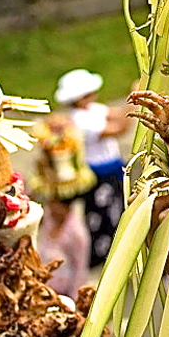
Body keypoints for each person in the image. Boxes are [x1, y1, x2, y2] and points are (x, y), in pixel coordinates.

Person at [54, 69, 131, 268]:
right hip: (99, 173)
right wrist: (132, 105)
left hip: (112, 168)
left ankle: (113, 249)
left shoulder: (93, 110)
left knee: (117, 209)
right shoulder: (81, 121)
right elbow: (119, 128)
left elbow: (115, 115)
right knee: (103, 215)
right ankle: (99, 255)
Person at [38, 198, 91, 300]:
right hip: (43, 287)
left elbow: (80, 269)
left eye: (56, 206)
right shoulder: (48, 219)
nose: (52, 209)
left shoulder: (77, 232)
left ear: (67, 207)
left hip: (65, 293)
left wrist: (75, 299)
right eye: (50, 205)